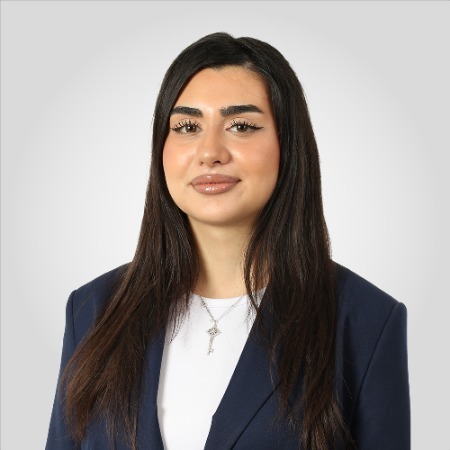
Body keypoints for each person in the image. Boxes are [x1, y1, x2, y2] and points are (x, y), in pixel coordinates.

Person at [46, 32, 410, 450]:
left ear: (288, 146)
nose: (210, 152)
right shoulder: (93, 310)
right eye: (187, 126)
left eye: (241, 126)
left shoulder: (366, 321)